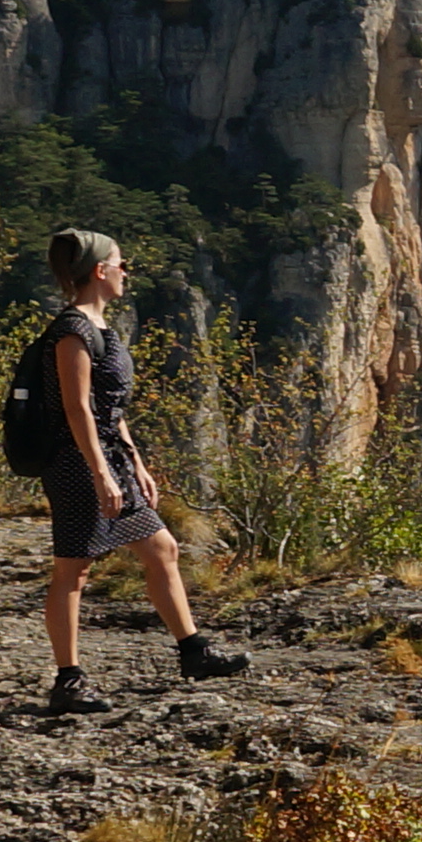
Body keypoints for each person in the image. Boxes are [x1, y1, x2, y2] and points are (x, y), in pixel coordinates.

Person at [31, 228, 251, 714]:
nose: (126, 273)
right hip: (77, 462)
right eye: (121, 264)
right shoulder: (73, 331)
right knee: (75, 568)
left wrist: (135, 463)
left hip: (109, 457)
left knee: (162, 547)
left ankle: (194, 652)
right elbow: (77, 409)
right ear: (99, 271)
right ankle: (67, 681)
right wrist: (101, 474)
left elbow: (111, 407)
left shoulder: (101, 328)